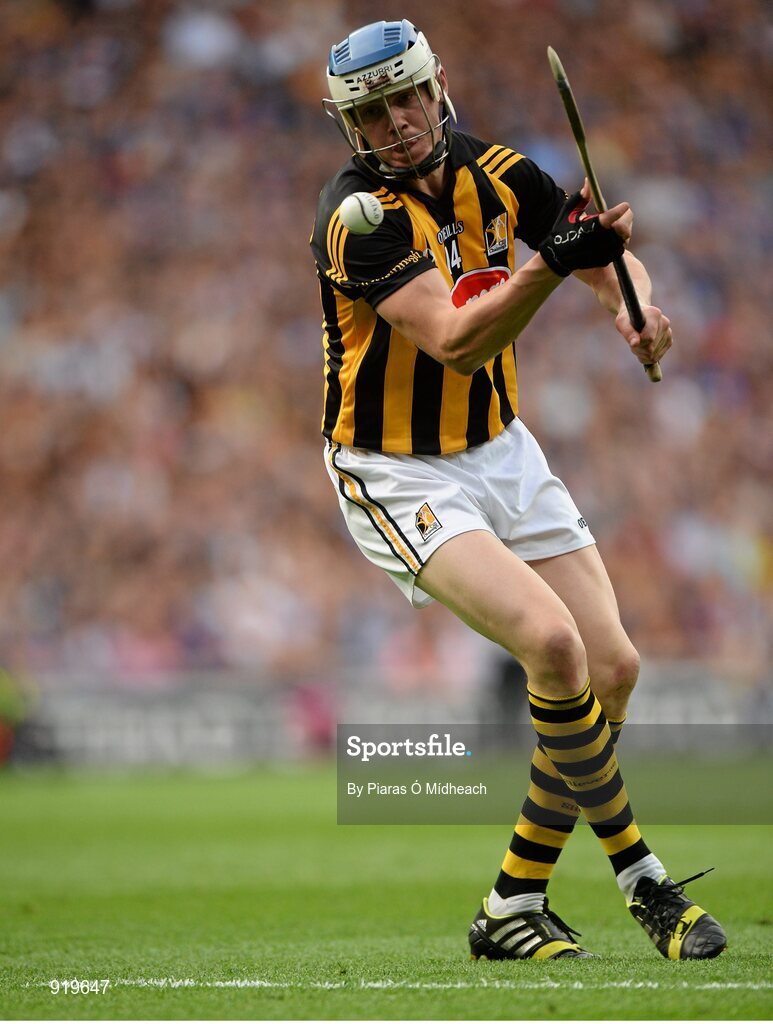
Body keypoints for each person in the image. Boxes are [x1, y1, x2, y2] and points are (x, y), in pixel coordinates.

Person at [310, 18, 726, 961]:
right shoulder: (355, 218)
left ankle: (511, 903)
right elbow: (458, 340)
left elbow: (603, 256)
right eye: (371, 111)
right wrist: (553, 261)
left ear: (437, 85)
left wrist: (634, 308)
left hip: (500, 447)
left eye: (407, 96)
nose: (397, 121)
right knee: (550, 643)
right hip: (392, 467)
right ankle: (644, 881)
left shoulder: (500, 170)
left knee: (612, 668)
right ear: (349, 127)